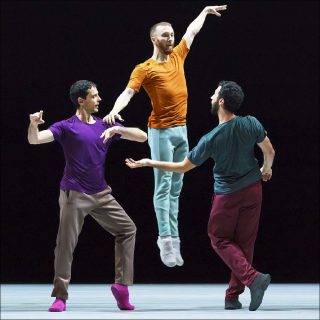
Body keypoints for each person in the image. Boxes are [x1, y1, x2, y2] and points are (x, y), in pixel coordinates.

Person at [125, 81, 275, 311]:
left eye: (214, 94)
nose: (210, 97)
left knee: (219, 238)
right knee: (245, 243)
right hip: (254, 190)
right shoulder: (251, 123)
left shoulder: (211, 138)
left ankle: (253, 278)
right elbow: (269, 150)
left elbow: (182, 167)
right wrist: (266, 168)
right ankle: (233, 297)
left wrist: (149, 162)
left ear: (222, 101)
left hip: (227, 196)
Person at [104, 5, 227, 268]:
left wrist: (204, 12)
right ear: (153, 39)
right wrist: (114, 110)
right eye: (165, 35)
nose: (171, 39)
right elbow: (128, 93)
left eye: (172, 35)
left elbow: (192, 31)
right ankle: (165, 240)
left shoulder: (178, 56)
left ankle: (175, 239)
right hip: (159, 133)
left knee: (177, 188)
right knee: (163, 186)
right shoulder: (144, 68)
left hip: (181, 130)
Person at [28, 80, 147, 312]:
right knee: (65, 245)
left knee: (128, 229)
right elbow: (35, 139)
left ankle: (122, 288)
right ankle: (60, 297)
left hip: (102, 193)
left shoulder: (105, 125)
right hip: (75, 194)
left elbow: (142, 137)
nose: (100, 99)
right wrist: (33, 124)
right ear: (81, 100)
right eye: (95, 96)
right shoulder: (66, 126)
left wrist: (118, 129)